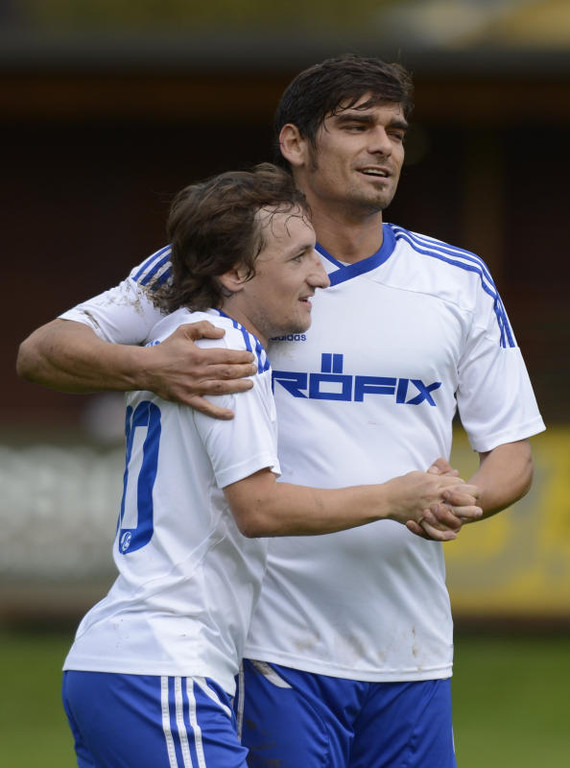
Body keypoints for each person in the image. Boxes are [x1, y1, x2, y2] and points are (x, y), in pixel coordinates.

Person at [17, 56, 544, 767]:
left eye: (395, 131)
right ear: (295, 143)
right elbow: (44, 351)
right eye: (356, 126)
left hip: (412, 649)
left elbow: (512, 451)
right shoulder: (223, 269)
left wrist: (458, 501)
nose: (382, 146)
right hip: (265, 652)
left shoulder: (457, 280)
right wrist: (151, 366)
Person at [57, 162, 481, 768]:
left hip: (132, 662)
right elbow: (259, 508)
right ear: (234, 272)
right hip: (164, 663)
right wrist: (396, 496)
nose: (322, 275)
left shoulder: (177, 338)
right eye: (300, 256)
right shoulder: (226, 347)